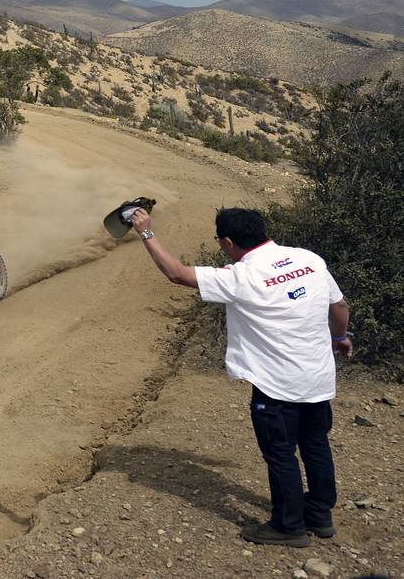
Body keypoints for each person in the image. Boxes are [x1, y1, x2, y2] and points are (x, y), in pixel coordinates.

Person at [129, 206, 352, 548]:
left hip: (276, 386)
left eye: (219, 241)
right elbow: (338, 306)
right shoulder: (308, 258)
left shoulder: (240, 278)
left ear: (228, 242)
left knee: (280, 454)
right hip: (319, 377)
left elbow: (176, 274)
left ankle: (289, 525)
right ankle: (320, 516)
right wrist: (339, 337)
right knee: (316, 446)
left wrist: (145, 231)